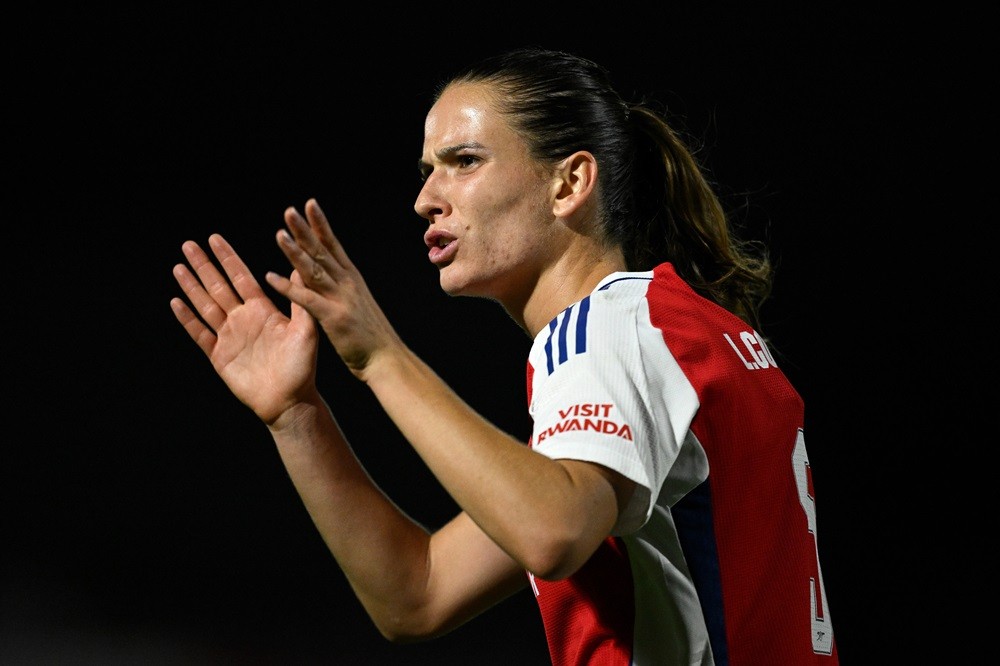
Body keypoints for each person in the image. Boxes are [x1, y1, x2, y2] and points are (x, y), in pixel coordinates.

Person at [170, 47, 839, 665]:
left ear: (570, 181)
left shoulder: (607, 326)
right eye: (428, 170)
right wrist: (296, 413)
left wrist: (380, 357)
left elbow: (551, 531)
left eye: (464, 161)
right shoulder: (686, 330)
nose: (426, 198)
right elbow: (417, 593)